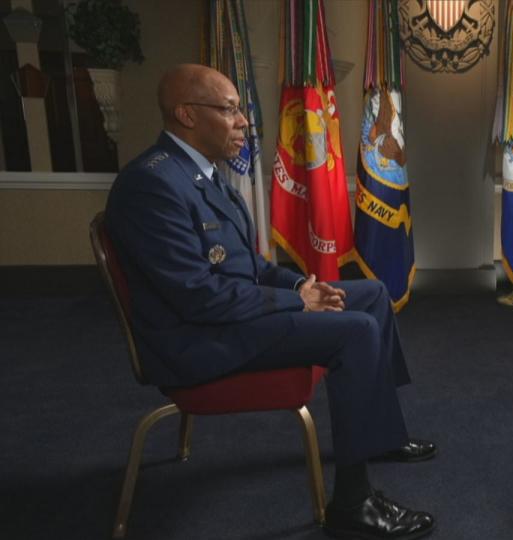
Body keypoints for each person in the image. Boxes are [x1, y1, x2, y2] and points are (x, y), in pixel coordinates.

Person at [105, 64, 434, 539]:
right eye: (230, 110)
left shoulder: (204, 176)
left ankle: (378, 435)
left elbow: (255, 269)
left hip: (228, 316)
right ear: (186, 115)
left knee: (371, 294)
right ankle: (354, 503)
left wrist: (301, 288)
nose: (243, 122)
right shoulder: (152, 185)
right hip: (198, 340)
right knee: (356, 330)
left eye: (240, 111)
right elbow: (199, 298)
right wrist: (298, 306)